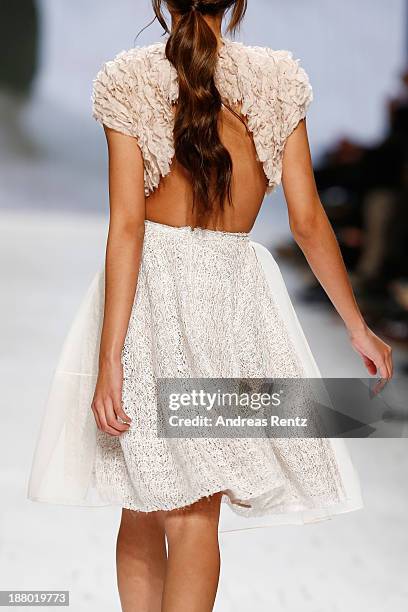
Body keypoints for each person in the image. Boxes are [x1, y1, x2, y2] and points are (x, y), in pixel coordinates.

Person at [27, 1, 393, 610]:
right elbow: (305, 219)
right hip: (233, 304)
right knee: (194, 510)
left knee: (144, 500)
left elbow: (127, 228)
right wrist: (357, 325)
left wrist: (110, 355)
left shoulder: (128, 79)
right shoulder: (277, 80)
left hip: (148, 302)